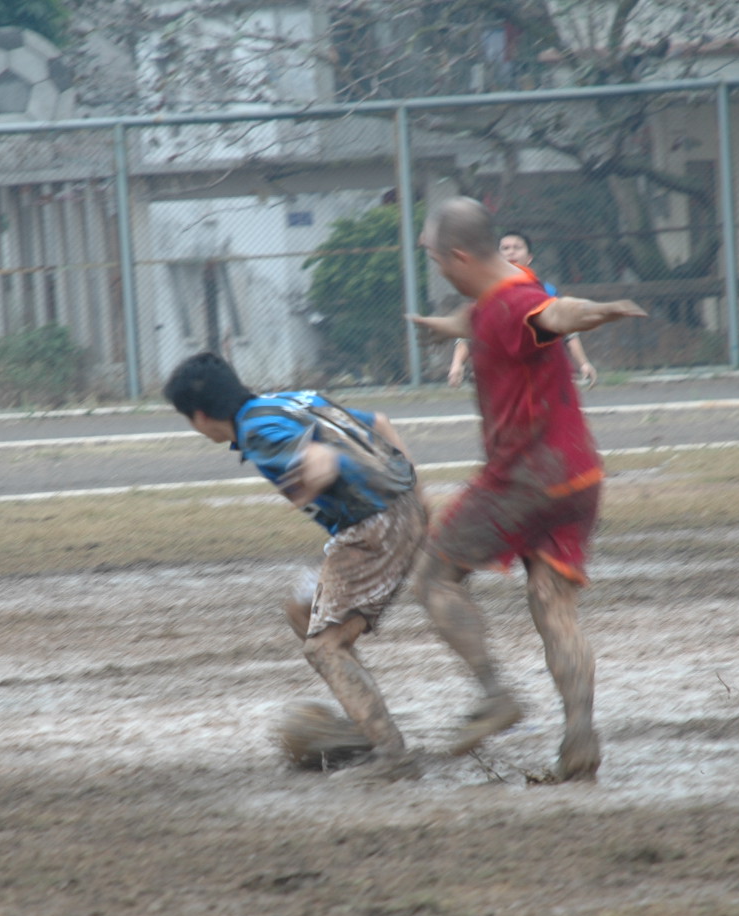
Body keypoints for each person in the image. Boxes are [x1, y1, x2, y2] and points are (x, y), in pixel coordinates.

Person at [408, 196, 646, 781]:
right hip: (578, 476)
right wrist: (446, 328)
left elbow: (553, 316)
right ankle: (580, 737)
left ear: (460, 257)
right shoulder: (508, 289)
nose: (436, 269)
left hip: (524, 478)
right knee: (552, 605)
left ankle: (495, 695)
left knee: (434, 579)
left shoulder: (517, 303)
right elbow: (488, 318)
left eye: (435, 259)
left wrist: (596, 312)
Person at [163, 352, 427, 781]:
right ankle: (366, 722)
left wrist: (311, 478)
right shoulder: (286, 400)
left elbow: (321, 459)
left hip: (374, 528)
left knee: (324, 646)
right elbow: (378, 422)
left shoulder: (257, 432)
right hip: (393, 512)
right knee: (302, 609)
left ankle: (390, 754)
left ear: (200, 416)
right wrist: (416, 495)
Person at [447, 230, 598, 389]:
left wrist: (584, 363)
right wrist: (457, 364)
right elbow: (468, 333)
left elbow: (568, 333)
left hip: (540, 372)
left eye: (517, 247)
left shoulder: (546, 292)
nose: (511, 252)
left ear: (529, 257)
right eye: (505, 248)